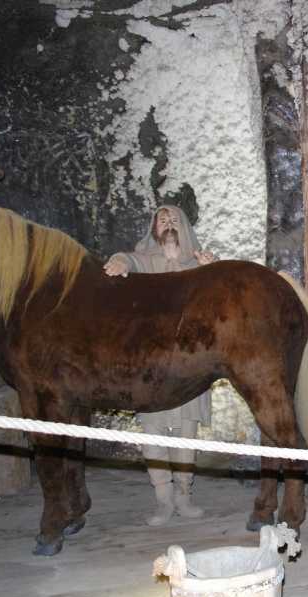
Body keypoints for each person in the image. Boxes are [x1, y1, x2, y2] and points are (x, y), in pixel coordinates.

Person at [103, 204, 216, 526]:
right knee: (153, 434)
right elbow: (128, 259)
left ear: (185, 227)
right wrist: (119, 261)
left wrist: (213, 271)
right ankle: (163, 500)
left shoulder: (199, 263)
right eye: (162, 219)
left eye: (174, 219)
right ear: (154, 228)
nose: (168, 223)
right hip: (151, 365)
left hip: (188, 363)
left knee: (185, 434)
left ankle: (184, 496)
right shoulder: (146, 260)